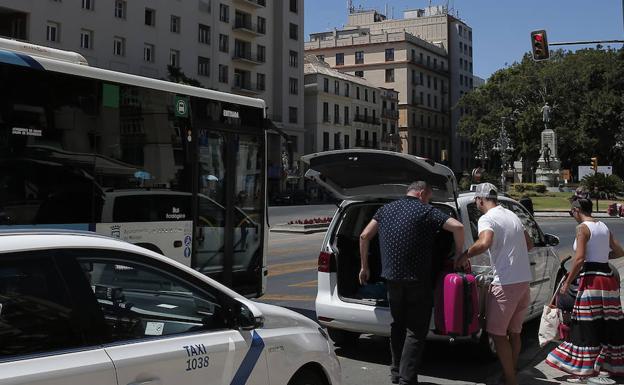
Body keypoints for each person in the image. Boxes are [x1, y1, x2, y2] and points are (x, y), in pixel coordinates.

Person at [359, 181, 465, 385]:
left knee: (397, 325)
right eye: (429, 197)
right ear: (422, 193)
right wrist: (459, 255)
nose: (429, 201)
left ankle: (396, 372)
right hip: (417, 280)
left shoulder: (385, 210)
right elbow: (458, 227)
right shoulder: (426, 211)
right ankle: (407, 379)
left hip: (392, 280)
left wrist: (365, 267)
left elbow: (364, 235)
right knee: (415, 331)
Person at [454, 183, 533, 385]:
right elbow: (529, 243)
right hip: (523, 282)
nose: (477, 204)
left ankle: (510, 380)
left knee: (497, 335)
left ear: (481, 199)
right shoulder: (511, 215)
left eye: (476, 201)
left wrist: (463, 256)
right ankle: (511, 373)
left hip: (505, 284)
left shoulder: (486, 218)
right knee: (515, 333)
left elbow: (484, 242)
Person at [545, 198, 624, 383]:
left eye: (571, 212)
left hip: (591, 279)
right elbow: (619, 251)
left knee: (585, 323)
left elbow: (579, 259)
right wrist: (603, 256)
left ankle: (583, 370)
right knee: (607, 322)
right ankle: (607, 365)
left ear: (577, 210)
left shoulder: (582, 229)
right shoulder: (603, 226)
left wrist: (567, 282)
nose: (571, 215)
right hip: (607, 278)